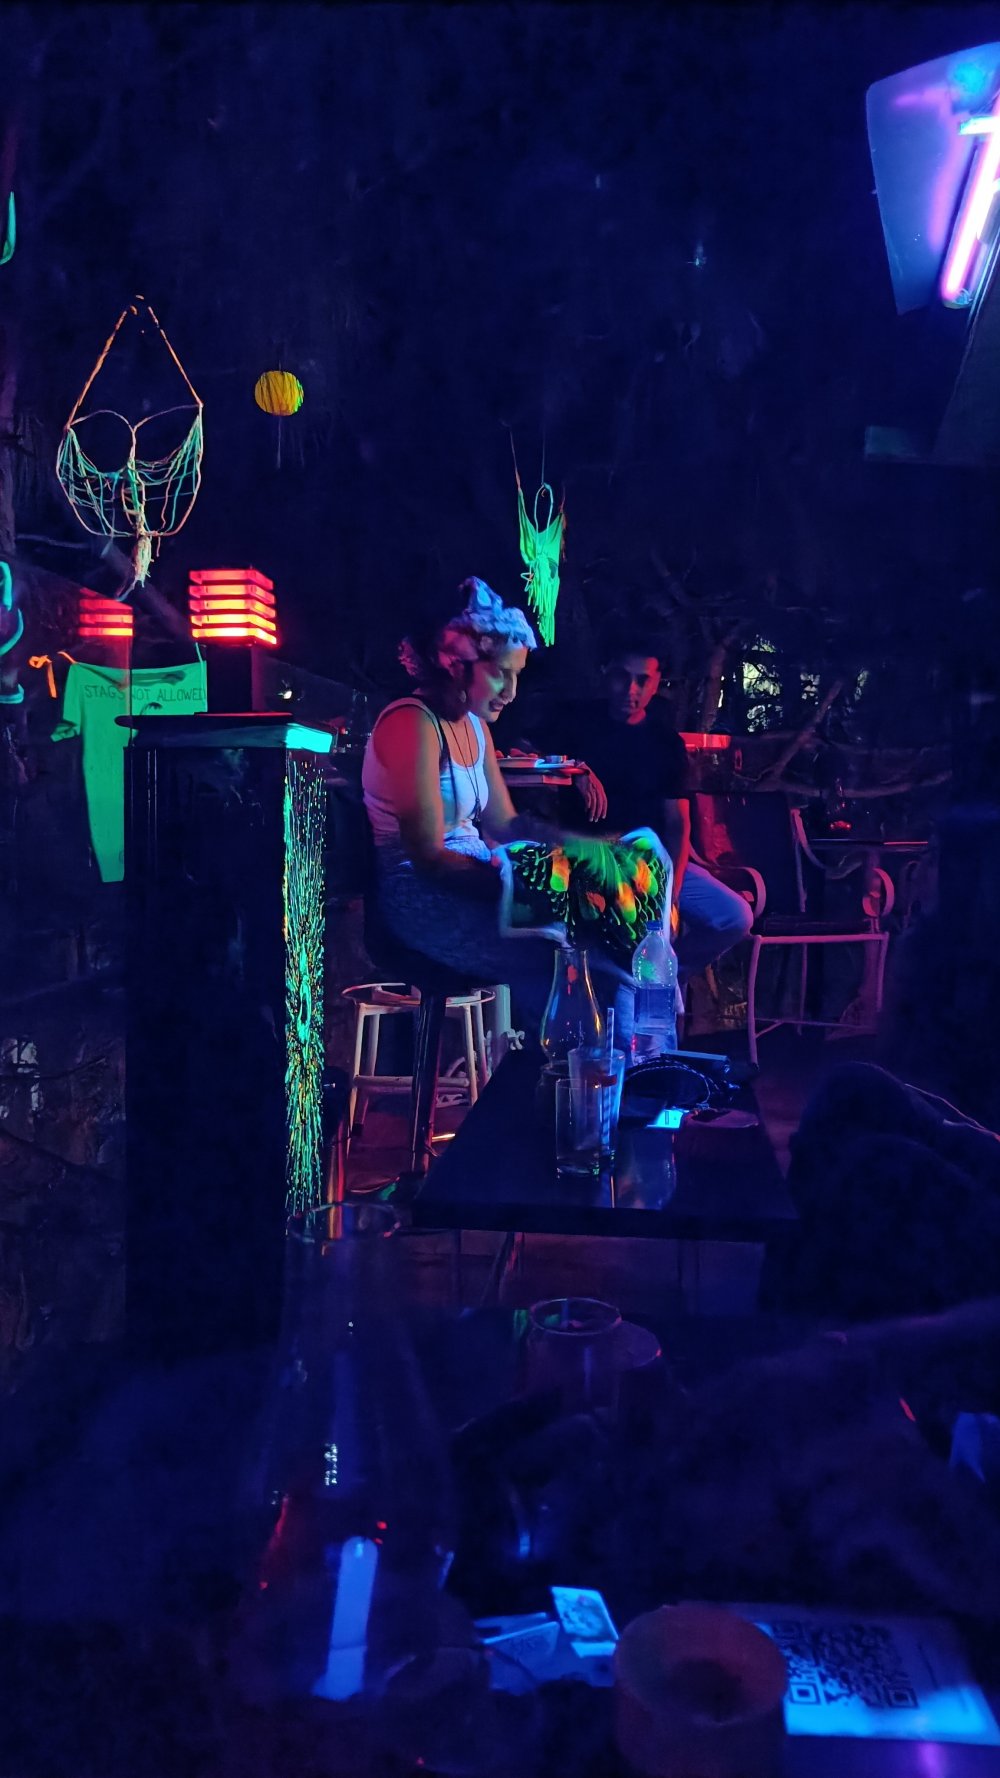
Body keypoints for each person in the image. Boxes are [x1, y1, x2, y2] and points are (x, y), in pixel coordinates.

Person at [362, 578, 643, 1038]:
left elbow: (507, 824)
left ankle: (604, 1070)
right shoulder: (411, 723)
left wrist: (593, 852)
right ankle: (568, 1070)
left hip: (474, 875)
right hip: (422, 899)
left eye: (517, 676)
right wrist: (526, 885)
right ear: (456, 664)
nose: (511, 691)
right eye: (501, 674)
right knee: (581, 956)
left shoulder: (475, 726)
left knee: (614, 932)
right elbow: (428, 858)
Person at [526, 634, 753, 987]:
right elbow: (521, 751)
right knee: (616, 930)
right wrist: (574, 768)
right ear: (607, 673)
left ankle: (659, 976)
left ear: (656, 683)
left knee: (733, 916)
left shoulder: (665, 742)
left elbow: (678, 825)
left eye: (642, 680)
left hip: (653, 865)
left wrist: (671, 893)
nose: (630, 689)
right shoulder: (575, 722)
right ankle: (634, 982)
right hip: (593, 859)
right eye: (622, 676)